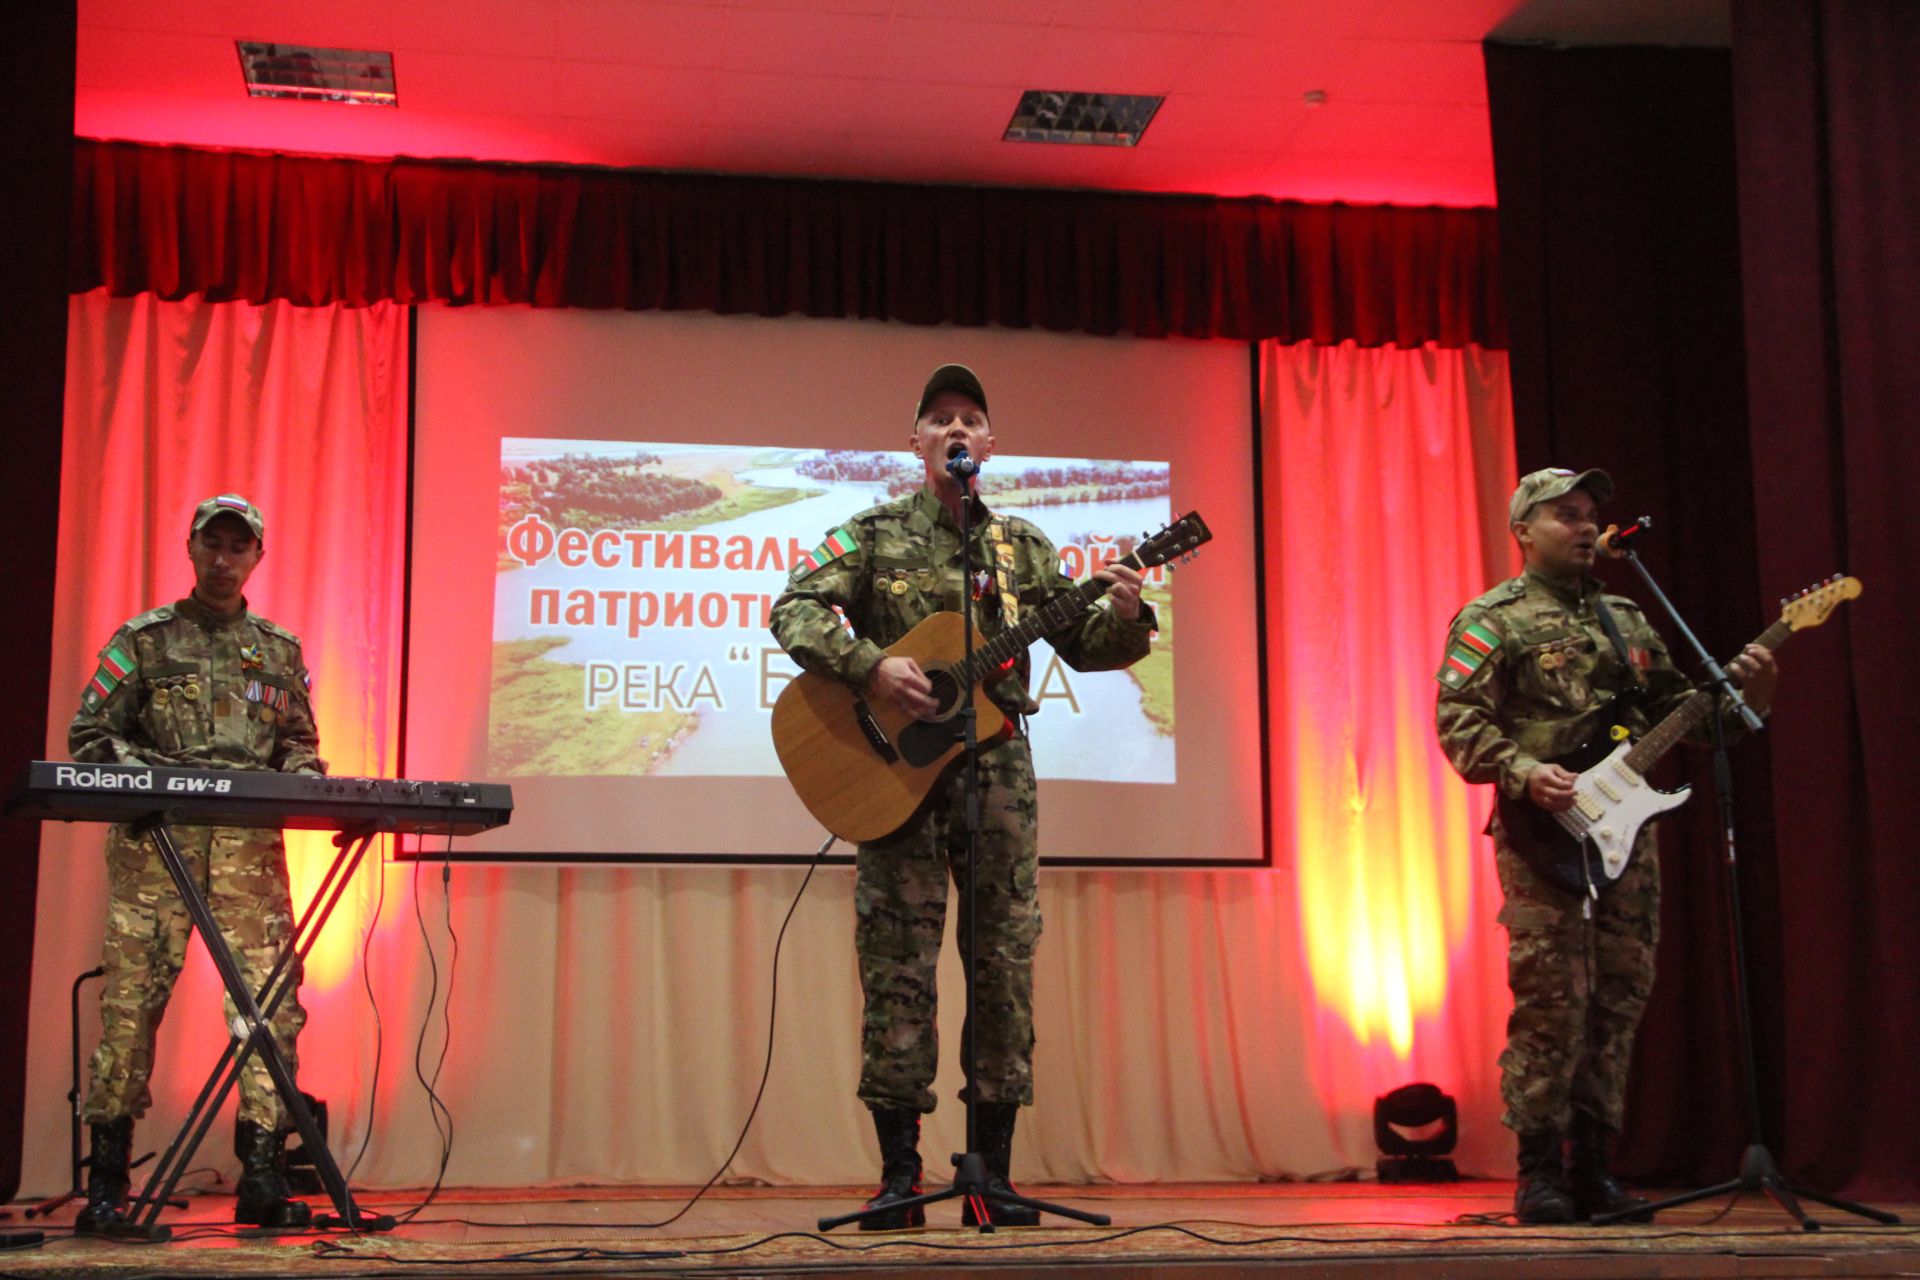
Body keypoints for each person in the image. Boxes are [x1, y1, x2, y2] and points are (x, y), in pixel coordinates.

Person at [770, 365, 1156, 1228]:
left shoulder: (1024, 549)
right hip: (893, 784)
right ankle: (900, 1176)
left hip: (997, 778)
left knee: (1003, 968)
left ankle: (993, 1174)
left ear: (989, 445)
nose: (956, 431)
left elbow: (1087, 645)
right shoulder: (869, 536)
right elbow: (794, 608)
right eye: (939, 419)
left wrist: (1127, 610)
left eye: (970, 420)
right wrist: (872, 665)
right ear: (916, 443)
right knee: (898, 973)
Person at [1434, 468, 1777, 1225]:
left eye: (1591, 516)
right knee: (1554, 1001)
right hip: (1544, 833)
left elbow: (1687, 719)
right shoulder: (1495, 618)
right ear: (1524, 529)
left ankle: (1595, 1170)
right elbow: (1459, 723)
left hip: (1626, 836)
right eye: (1566, 515)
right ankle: (1539, 1174)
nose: (1586, 527)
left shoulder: (1628, 616)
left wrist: (1755, 689)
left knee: (1619, 999)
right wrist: (1524, 772)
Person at [69, 494, 326, 1231]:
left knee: (269, 1014)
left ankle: (263, 1177)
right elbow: (90, 734)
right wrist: (154, 774)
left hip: (248, 852)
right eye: (211, 545)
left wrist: (308, 778)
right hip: (158, 849)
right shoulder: (146, 640)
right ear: (191, 549)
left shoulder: (278, 650)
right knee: (129, 1014)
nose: (223, 559)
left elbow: (301, 742)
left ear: (256, 559)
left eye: (237, 548)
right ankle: (108, 1185)